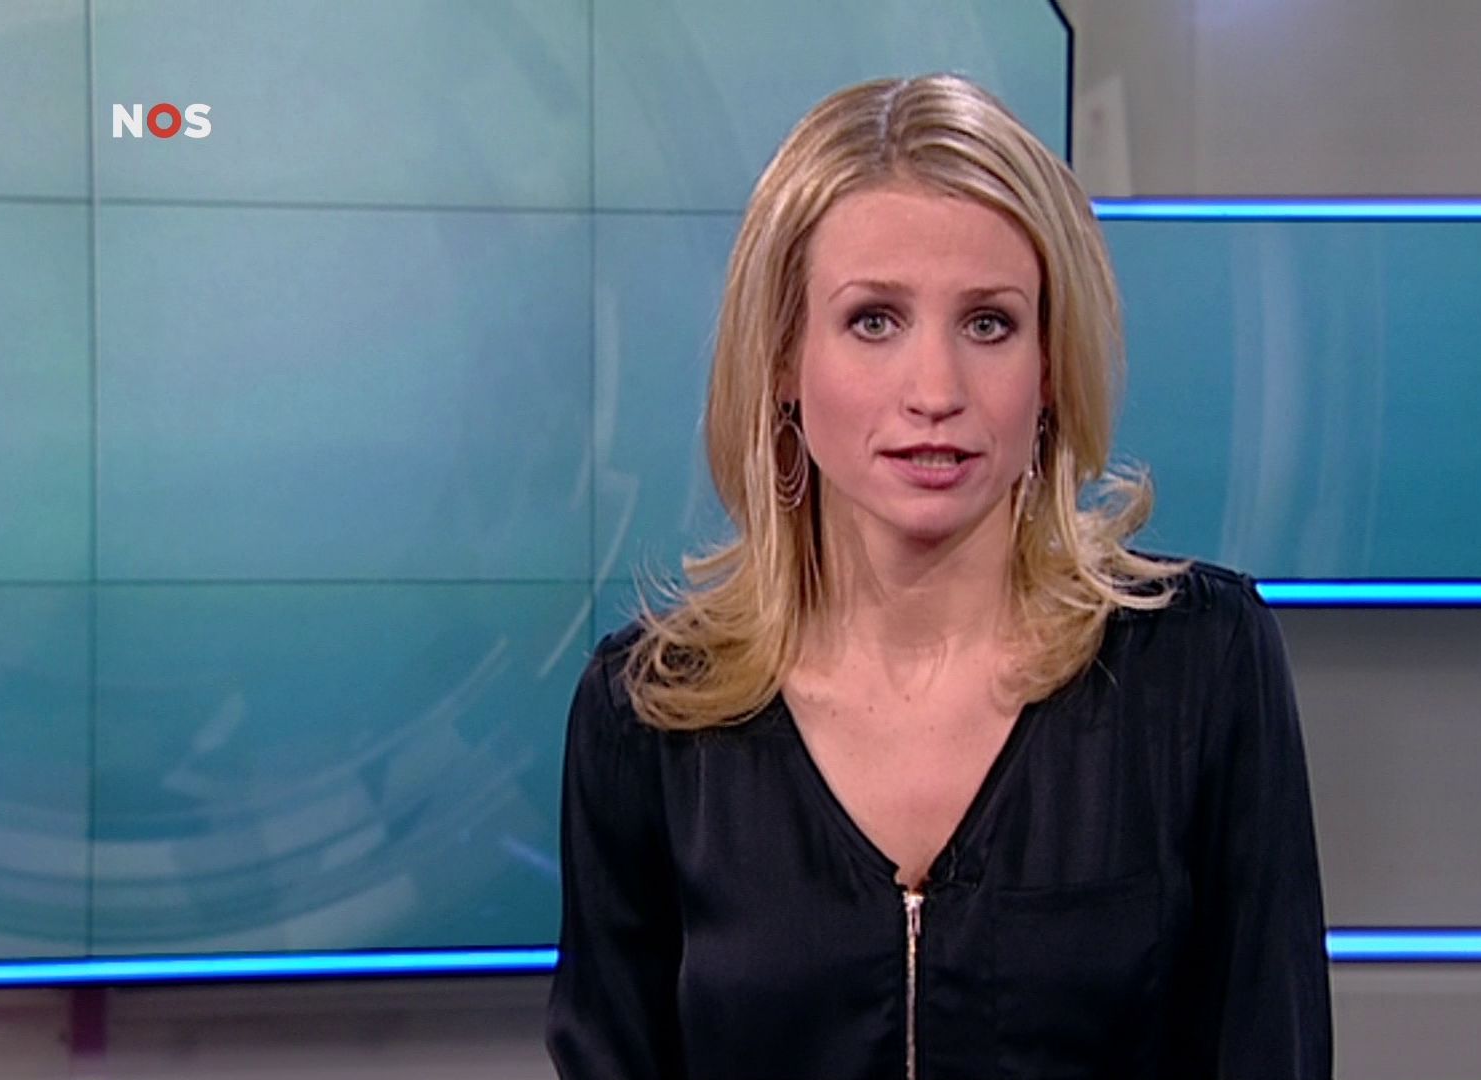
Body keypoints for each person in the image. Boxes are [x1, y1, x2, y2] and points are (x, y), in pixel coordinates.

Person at [547, 73, 1331, 1080]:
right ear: (782, 359)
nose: (935, 391)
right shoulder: (650, 718)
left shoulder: (1199, 667)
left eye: (989, 324)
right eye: (874, 320)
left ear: (1050, 367)